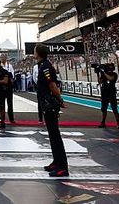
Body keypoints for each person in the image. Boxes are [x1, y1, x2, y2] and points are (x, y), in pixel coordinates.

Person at [34, 44, 69, 177]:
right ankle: (56, 161)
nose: (33, 53)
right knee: (52, 135)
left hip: (50, 104)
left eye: (35, 51)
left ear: (39, 53)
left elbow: (52, 85)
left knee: (55, 135)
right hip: (45, 103)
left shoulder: (46, 67)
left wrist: (60, 100)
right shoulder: (42, 65)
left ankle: (63, 167)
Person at [96, 60, 119, 129]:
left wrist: (103, 72)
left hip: (112, 92)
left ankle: (118, 122)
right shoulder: (104, 74)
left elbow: (110, 79)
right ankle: (103, 122)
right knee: (104, 108)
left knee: (114, 108)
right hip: (104, 92)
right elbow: (99, 81)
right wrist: (98, 73)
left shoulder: (114, 74)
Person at [0, 54, 16, 125]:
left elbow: (12, 75)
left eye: (4, 57)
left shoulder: (10, 66)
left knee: (10, 103)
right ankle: (2, 118)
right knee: (2, 104)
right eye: (1, 57)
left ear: (6, 58)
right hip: (1, 87)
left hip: (8, 86)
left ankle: (11, 118)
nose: (3, 58)